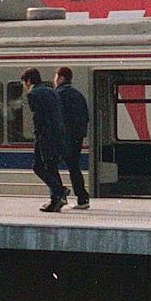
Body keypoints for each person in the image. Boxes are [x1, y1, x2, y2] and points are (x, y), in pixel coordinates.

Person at [21, 68, 68, 212]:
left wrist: (38, 134)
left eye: (24, 82)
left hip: (45, 135)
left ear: (29, 81)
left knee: (38, 166)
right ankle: (56, 200)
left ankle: (59, 190)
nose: (24, 86)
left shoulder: (33, 94)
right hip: (58, 133)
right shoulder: (51, 91)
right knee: (51, 165)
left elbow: (38, 117)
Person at [54, 66, 90, 209]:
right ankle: (82, 198)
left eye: (56, 76)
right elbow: (85, 116)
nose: (54, 80)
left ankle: (59, 195)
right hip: (77, 136)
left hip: (64, 137)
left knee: (49, 165)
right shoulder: (78, 94)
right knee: (74, 167)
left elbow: (57, 117)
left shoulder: (59, 94)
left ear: (61, 78)